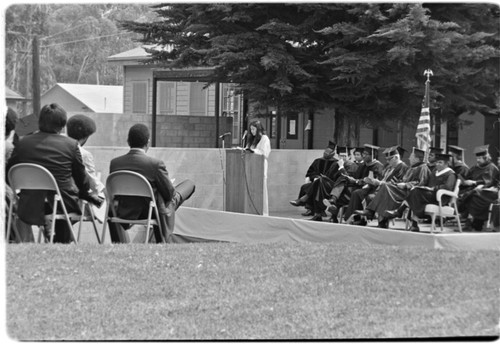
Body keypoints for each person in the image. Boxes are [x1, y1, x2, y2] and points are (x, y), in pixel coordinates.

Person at [6, 103, 98, 243]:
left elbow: (9, 174)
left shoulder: (22, 144)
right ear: (63, 126)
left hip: (29, 204)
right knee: (64, 196)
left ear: (40, 122)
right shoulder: (71, 145)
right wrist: (87, 194)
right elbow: (81, 180)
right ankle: (60, 241)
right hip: (62, 205)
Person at [108, 123, 196, 243]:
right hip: (151, 211)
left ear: (128, 141)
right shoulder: (155, 164)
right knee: (188, 184)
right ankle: (163, 239)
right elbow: (169, 194)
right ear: (148, 142)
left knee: (158, 196)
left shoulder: (115, 163)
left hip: (124, 210)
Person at [355, 147, 431, 228]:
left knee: (385, 187)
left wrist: (405, 185)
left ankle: (372, 212)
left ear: (417, 159)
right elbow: (404, 180)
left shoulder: (423, 168)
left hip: (409, 193)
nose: (409, 158)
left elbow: (420, 183)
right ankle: (380, 220)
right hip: (402, 190)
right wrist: (398, 183)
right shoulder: (412, 168)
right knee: (385, 188)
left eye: (411, 156)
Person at [386, 152, 456, 232]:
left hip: (441, 198)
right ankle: (414, 225)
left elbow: (448, 187)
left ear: (446, 164)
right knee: (415, 193)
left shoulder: (451, 174)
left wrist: (433, 188)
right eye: (437, 162)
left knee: (416, 192)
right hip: (430, 195)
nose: (437, 164)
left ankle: (400, 211)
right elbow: (427, 183)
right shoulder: (434, 172)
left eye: (440, 162)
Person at [345, 145, 408, 224]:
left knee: (370, 196)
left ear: (396, 158)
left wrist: (379, 182)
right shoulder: (389, 167)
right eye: (386, 159)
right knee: (357, 192)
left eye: (389, 159)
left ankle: (374, 216)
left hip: (392, 193)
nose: (387, 162)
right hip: (378, 188)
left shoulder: (403, 168)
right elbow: (382, 178)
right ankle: (356, 219)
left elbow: (397, 184)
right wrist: (372, 181)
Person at [323, 144, 384, 223]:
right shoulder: (363, 165)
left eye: (365, 154)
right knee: (343, 181)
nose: (363, 156)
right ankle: (334, 206)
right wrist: (352, 179)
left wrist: (359, 181)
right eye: (363, 154)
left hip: (370, 189)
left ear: (372, 155)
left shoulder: (378, 166)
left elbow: (375, 181)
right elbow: (356, 177)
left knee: (347, 192)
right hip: (358, 186)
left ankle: (335, 204)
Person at [66, 114, 106, 221]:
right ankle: (120, 238)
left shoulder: (59, 150)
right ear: (85, 137)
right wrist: (105, 193)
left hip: (58, 199)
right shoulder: (84, 154)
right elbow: (92, 184)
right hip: (78, 202)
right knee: (109, 206)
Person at [290, 141, 337, 216]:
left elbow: (335, 177)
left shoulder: (336, 163)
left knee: (318, 184)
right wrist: (315, 177)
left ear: (333, 154)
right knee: (305, 186)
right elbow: (310, 172)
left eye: (328, 152)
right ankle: (311, 209)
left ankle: (303, 201)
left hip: (327, 186)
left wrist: (323, 179)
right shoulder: (318, 161)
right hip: (316, 182)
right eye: (325, 151)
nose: (326, 153)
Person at [459, 145, 499, 231]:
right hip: (475, 189)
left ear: (486, 158)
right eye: (477, 158)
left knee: (474, 196)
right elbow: (467, 176)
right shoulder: (475, 167)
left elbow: (490, 182)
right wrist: (465, 181)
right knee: (466, 193)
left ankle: (471, 222)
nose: (477, 160)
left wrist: (475, 182)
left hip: (488, 192)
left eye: (480, 158)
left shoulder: (492, 167)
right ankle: (469, 220)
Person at [244, 120, 271, 216]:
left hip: (260, 166)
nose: (251, 131)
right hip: (251, 167)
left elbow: (264, 153)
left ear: (258, 128)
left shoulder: (264, 139)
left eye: (253, 129)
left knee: (261, 188)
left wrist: (253, 151)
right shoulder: (252, 139)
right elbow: (248, 149)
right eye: (250, 129)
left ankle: (263, 212)